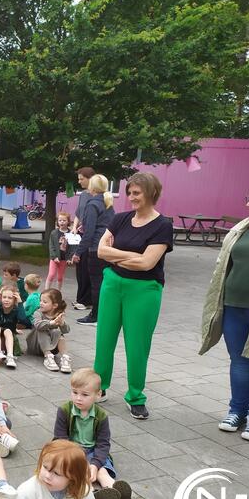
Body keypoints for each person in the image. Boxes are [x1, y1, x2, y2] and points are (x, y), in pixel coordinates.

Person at [95, 172, 173, 419]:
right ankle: (99, 387)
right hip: (112, 284)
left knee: (137, 345)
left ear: (151, 193)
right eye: (129, 192)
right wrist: (131, 258)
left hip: (143, 290)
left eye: (136, 193)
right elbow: (100, 251)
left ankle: (135, 395)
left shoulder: (163, 225)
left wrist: (115, 253)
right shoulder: (120, 219)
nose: (131, 197)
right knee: (104, 340)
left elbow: (148, 263)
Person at [200, 178, 249, 441]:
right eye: (248, 199)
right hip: (233, 305)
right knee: (239, 361)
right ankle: (237, 411)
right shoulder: (244, 228)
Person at [53, 369, 132, 499]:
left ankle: (118, 492)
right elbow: (60, 438)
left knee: (102, 471)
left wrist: (95, 464)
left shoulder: (101, 416)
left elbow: (103, 444)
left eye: (84, 395)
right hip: (70, 450)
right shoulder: (64, 410)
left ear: (98, 395)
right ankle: (91, 495)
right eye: (75, 392)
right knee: (80, 472)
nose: (78, 398)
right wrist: (77, 460)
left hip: (93, 451)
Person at [73, 175, 115, 326]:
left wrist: (78, 252)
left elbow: (89, 232)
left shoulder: (92, 204)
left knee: (96, 283)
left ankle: (95, 316)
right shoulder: (107, 202)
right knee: (104, 282)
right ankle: (104, 313)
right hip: (108, 247)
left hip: (96, 249)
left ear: (92, 187)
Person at [71, 166, 95, 310]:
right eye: (78, 179)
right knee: (79, 267)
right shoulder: (84, 194)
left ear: (90, 179)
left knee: (87, 267)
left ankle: (87, 300)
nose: (79, 182)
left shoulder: (99, 196)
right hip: (81, 233)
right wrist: (74, 227)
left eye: (81, 179)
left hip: (90, 236)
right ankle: (80, 298)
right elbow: (79, 213)